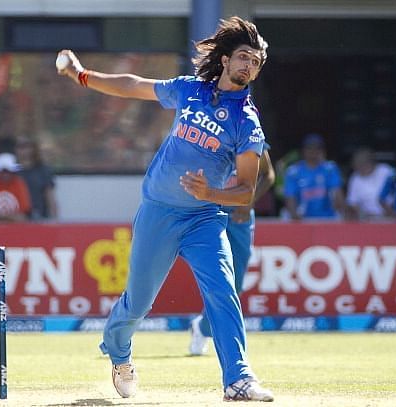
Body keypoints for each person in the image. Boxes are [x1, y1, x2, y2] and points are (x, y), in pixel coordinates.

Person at [57, 16, 274, 402]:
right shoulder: (189, 90)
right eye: (243, 57)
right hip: (159, 213)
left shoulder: (247, 123)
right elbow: (134, 85)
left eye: (256, 62)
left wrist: (211, 194)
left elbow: (245, 192)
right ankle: (119, 352)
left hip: (205, 219)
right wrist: (82, 76)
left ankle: (238, 379)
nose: (249, 66)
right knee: (138, 302)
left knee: (223, 291)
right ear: (224, 60)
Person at [189, 149, 275, 356]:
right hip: (207, 209)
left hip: (239, 212)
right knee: (217, 277)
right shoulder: (207, 134)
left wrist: (249, 202)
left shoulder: (252, 136)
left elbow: (268, 175)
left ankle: (202, 328)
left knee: (234, 283)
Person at [282, 133, 345, 219]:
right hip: (302, 219)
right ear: (303, 150)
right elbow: (290, 196)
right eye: (309, 148)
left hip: (327, 218)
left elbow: (337, 193)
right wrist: (295, 217)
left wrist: (342, 213)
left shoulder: (329, 169)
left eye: (317, 148)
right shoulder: (294, 171)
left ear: (322, 150)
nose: (313, 151)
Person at [15, 136, 58, 220]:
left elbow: (50, 196)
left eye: (27, 146)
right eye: (20, 147)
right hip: (16, 219)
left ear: (34, 148)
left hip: (40, 217)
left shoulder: (43, 170)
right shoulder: (10, 171)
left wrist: (55, 220)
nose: (24, 151)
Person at [345, 147, 393, 220]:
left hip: (389, 215)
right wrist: (364, 214)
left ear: (370, 163)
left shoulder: (386, 171)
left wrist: (390, 212)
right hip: (368, 218)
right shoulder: (355, 178)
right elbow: (352, 202)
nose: (358, 169)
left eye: (361, 165)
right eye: (357, 166)